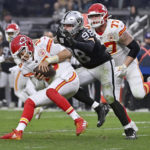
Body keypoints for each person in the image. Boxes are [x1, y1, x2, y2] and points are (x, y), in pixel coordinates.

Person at [56, 10, 136, 139]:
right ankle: (98, 107)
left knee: (110, 98)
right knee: (69, 85)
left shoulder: (86, 32)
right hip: (87, 68)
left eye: (69, 25)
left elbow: (90, 47)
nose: (65, 28)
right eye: (64, 25)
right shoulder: (64, 34)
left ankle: (129, 129)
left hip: (103, 65)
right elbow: (52, 41)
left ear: (77, 24)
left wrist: (74, 43)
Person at [0, 34, 88, 140]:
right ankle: (18, 132)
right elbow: (39, 86)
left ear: (28, 45)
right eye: (19, 55)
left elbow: (68, 53)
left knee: (50, 91)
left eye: (22, 52)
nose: (22, 57)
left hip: (68, 76)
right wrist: (39, 79)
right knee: (30, 101)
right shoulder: (25, 67)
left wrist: (48, 61)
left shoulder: (43, 43)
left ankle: (79, 120)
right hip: (55, 87)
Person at [87, 3, 150, 131]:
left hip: (128, 64)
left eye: (97, 16)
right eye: (92, 17)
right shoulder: (89, 32)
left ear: (104, 15)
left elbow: (135, 47)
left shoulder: (115, 27)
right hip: (111, 69)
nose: (94, 19)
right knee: (112, 101)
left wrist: (124, 66)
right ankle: (130, 125)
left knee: (139, 94)